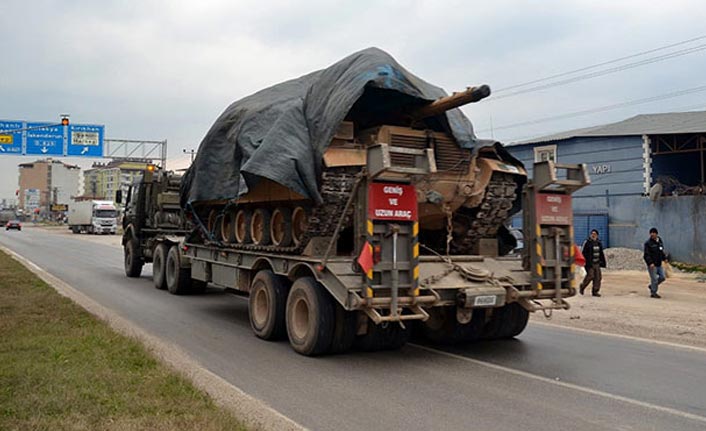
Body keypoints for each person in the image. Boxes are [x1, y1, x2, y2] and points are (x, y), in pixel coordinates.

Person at [580, 229, 606, 297]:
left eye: (595, 234)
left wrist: (602, 262)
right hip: (589, 263)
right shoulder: (587, 243)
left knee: (598, 277)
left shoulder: (599, 243)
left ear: (597, 235)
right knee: (590, 276)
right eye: (592, 234)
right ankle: (582, 286)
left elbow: (601, 253)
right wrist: (584, 262)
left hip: (597, 263)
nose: (593, 235)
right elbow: (583, 253)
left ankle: (595, 291)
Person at [644, 227, 667, 299]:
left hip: (659, 263)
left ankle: (652, 286)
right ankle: (653, 293)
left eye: (653, 233)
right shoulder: (648, 243)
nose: (652, 234)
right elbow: (646, 255)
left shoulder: (659, 241)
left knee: (662, 277)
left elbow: (661, 251)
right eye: (651, 233)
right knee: (654, 279)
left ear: (656, 234)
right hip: (652, 265)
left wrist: (664, 258)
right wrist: (650, 263)